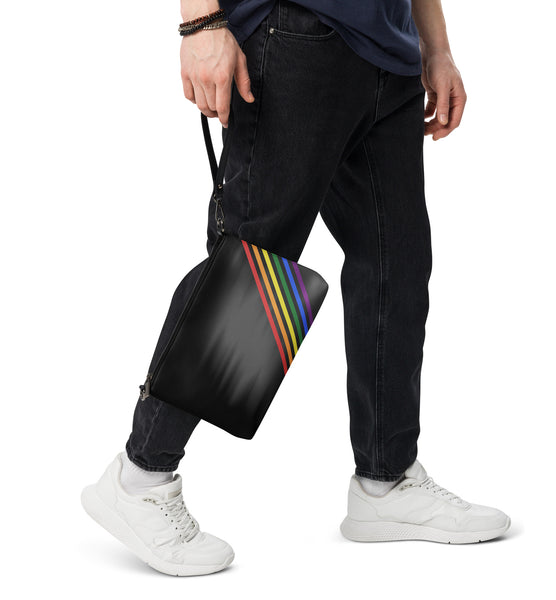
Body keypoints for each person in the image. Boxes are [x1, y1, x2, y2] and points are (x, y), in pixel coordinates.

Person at [81, 0, 510, 576]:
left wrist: (436, 46)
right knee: (253, 272)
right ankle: (140, 479)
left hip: (391, 49)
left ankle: (386, 482)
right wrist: (201, 24)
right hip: (295, 34)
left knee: (397, 263)